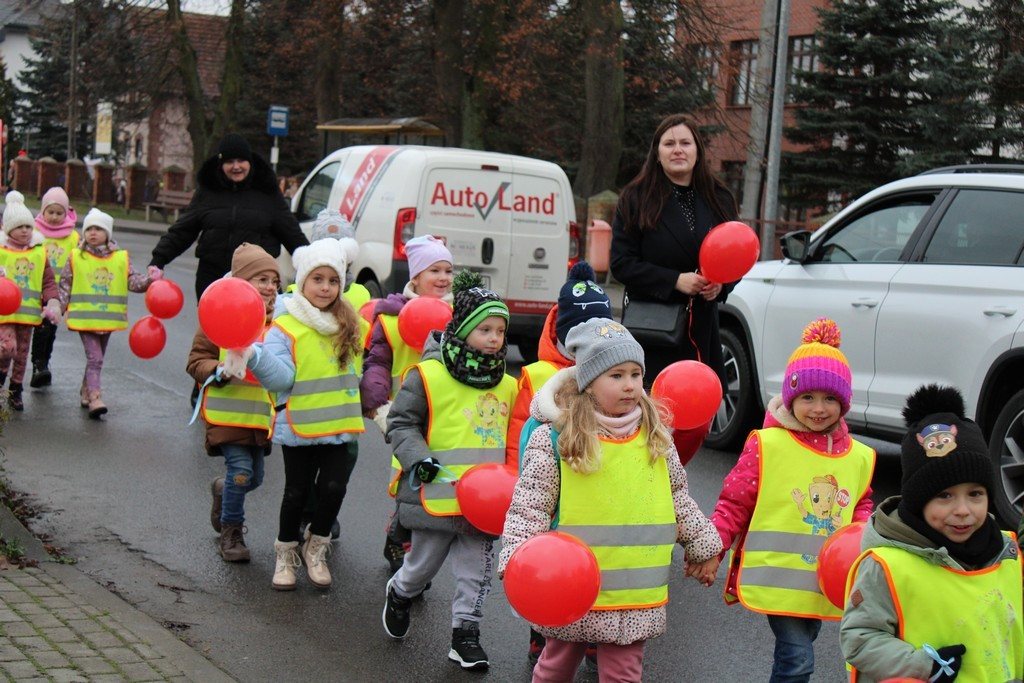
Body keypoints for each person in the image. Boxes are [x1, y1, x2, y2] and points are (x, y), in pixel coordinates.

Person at [499, 317, 722, 681]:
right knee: (555, 669)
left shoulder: (655, 439)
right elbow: (530, 507)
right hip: (571, 585)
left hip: (635, 590)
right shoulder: (556, 439)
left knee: (623, 675)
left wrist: (703, 547)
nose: (630, 385)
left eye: (636, 374)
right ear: (588, 383)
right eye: (616, 376)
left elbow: (677, 497)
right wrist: (516, 562)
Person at [694, 318, 876, 683]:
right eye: (807, 397)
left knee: (799, 650)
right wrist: (711, 550)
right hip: (778, 578)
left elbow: (861, 507)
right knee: (798, 660)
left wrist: (863, 544)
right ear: (791, 398)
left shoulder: (858, 456)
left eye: (830, 398)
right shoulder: (768, 445)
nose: (818, 408)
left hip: (823, 583)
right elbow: (735, 502)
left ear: (844, 402)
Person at [841, 384, 1023, 682]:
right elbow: (860, 638)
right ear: (917, 501)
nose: (963, 509)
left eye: (975, 494)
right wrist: (925, 666)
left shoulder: (1005, 553)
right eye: (945, 496)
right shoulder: (887, 565)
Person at [381, 271, 516, 671]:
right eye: (485, 329)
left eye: (500, 330)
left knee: (476, 575)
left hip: (485, 505)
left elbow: (513, 439)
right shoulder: (428, 375)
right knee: (421, 567)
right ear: (461, 328)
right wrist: (417, 459)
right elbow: (401, 424)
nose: (494, 338)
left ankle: (466, 635)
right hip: (436, 496)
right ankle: (401, 593)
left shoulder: (508, 385)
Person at [610, 113, 741, 466]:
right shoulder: (636, 198)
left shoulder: (719, 198)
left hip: (702, 330)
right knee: (650, 427)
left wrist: (722, 285)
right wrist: (673, 281)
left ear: (698, 150)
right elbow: (621, 263)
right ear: (657, 152)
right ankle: (648, 498)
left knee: (693, 426)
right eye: (669, 144)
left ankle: (672, 493)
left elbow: (734, 253)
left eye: (685, 143)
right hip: (656, 332)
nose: (678, 150)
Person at [504, 259, 611, 666]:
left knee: (596, 561)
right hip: (550, 486)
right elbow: (519, 431)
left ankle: (597, 635)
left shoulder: (614, 373)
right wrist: (518, 483)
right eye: (576, 332)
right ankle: (543, 632)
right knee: (549, 565)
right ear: (560, 332)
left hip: (598, 492)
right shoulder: (537, 374)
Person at [244, 237, 363, 591]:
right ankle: (286, 553)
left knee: (334, 487)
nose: (325, 288)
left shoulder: (350, 324)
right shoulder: (285, 326)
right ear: (303, 280)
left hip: (339, 425)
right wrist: (256, 356)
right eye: (318, 279)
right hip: (299, 425)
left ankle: (317, 545)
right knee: (296, 493)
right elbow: (282, 378)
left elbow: (357, 374)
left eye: (333, 281)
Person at [360, 234, 455, 574]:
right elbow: (377, 363)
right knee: (409, 477)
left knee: (432, 478)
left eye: (448, 270)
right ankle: (400, 541)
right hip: (406, 415)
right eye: (435, 271)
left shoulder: (459, 318)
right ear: (415, 277)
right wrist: (378, 403)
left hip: (447, 414)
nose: (444, 278)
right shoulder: (390, 318)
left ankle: (406, 543)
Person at [187, 243, 279, 563]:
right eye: (261, 279)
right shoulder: (220, 310)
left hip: (259, 416)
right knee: (240, 471)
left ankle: (223, 491)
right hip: (227, 415)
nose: (269, 287)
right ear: (242, 280)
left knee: (254, 479)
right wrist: (219, 371)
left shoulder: (281, 320)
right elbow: (196, 361)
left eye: (274, 281)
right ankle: (232, 531)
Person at [148, 133, 309, 300]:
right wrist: (158, 260)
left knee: (256, 326)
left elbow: (291, 233)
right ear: (221, 164)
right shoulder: (208, 191)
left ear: (250, 162)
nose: (236, 166)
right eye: (230, 162)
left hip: (257, 281)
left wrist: (311, 263)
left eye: (241, 161)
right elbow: (183, 230)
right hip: (213, 278)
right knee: (213, 326)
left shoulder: (267, 191)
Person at [57, 208, 159, 418]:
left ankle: (86, 389)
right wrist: (57, 307)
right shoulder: (77, 256)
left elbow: (133, 281)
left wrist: (150, 280)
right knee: (95, 359)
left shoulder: (120, 258)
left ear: (108, 233)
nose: (93, 233)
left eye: (98, 229)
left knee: (97, 357)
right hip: (84, 319)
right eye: (89, 229)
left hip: (108, 319)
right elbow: (65, 284)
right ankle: (95, 397)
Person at [0, 191, 61, 411]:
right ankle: (1, 378)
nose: (25, 230)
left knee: (22, 353)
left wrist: (52, 302)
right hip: (4, 314)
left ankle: (15, 390)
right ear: (8, 229)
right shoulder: (2, 252)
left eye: (28, 226)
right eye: (20, 227)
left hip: (28, 314)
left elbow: (47, 281)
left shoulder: (38, 252)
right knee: (7, 348)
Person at [30, 187, 78, 389]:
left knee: (50, 330)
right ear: (42, 211)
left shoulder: (73, 237)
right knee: (40, 328)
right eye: (50, 212)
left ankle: (44, 361)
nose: (55, 217)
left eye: (59, 213)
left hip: (59, 294)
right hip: (36, 289)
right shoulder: (33, 232)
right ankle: (38, 365)